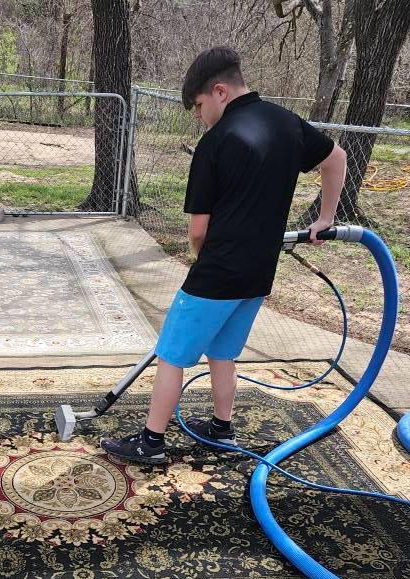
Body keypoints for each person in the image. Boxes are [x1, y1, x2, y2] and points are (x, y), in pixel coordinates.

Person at [101, 46, 347, 466]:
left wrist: (203, 261)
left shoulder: (215, 143)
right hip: (259, 272)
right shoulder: (287, 123)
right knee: (222, 352)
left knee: (171, 355)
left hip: (217, 272)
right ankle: (221, 428)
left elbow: (198, 231)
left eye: (199, 106)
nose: (199, 117)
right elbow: (336, 158)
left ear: (219, 91)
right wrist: (325, 217)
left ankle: (151, 442)